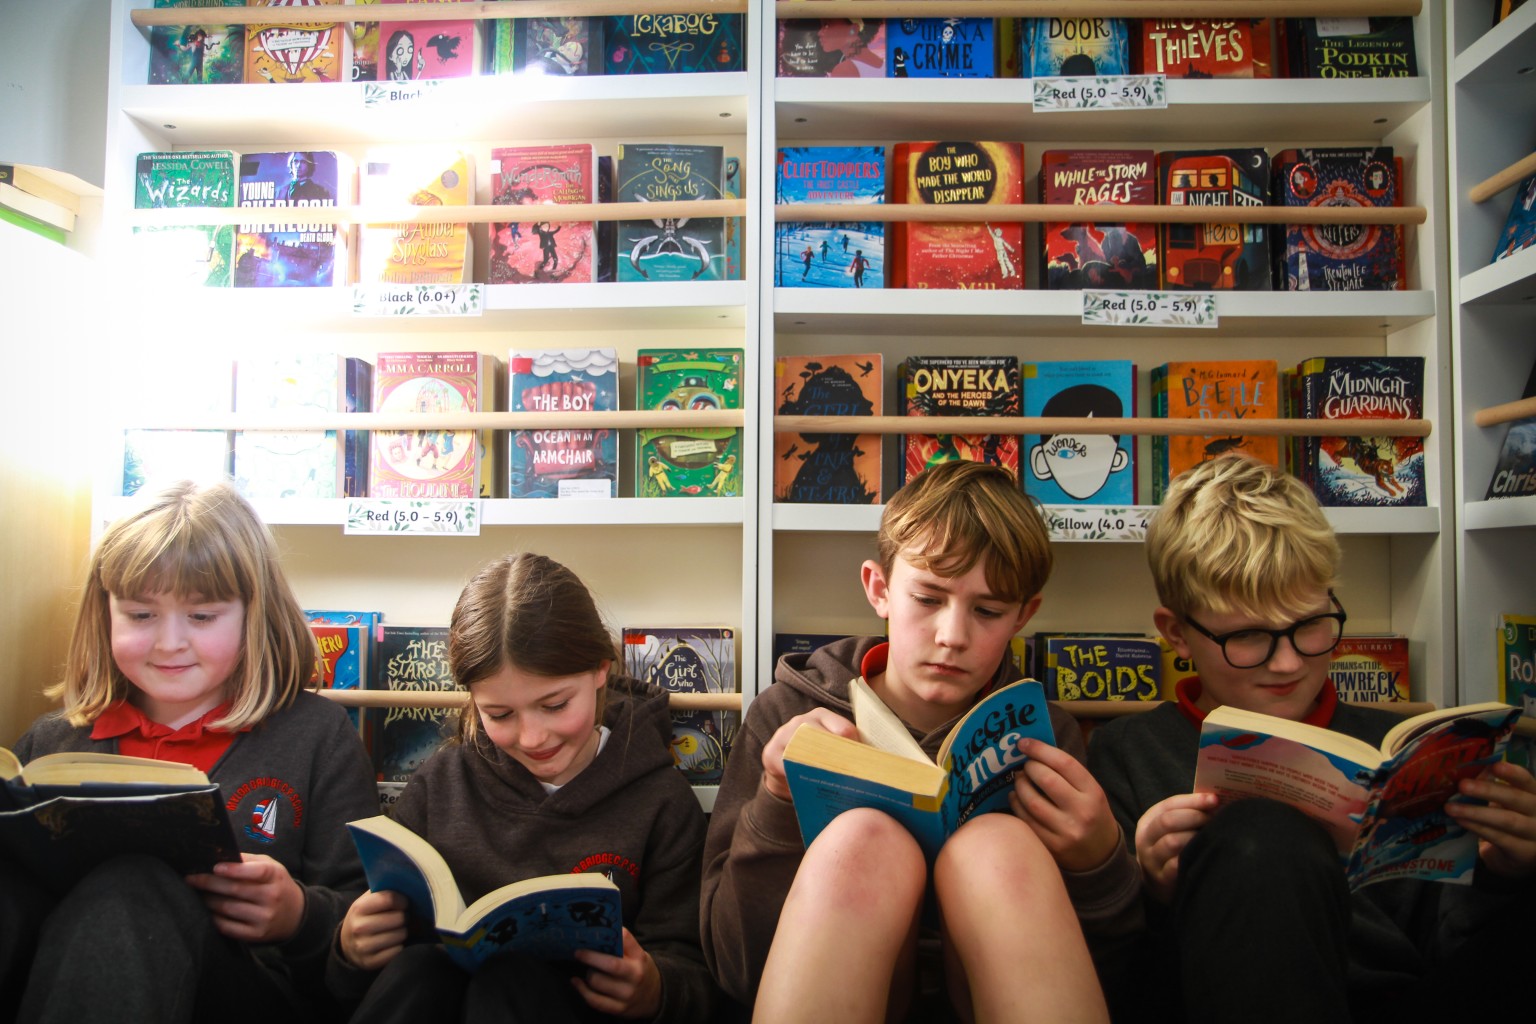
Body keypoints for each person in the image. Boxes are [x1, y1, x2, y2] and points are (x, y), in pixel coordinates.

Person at [1087, 454, 1536, 1024]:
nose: (1287, 662)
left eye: (1310, 625)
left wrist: (1506, 875)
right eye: (1248, 636)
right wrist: (1150, 887)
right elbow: (1124, 982)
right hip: (1227, 994)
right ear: (1177, 633)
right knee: (1259, 836)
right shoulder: (1127, 753)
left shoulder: (1391, 748)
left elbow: (1446, 948)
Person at [701, 460, 1139, 1023]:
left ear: (1023, 616)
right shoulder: (787, 714)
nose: (953, 636)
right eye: (928, 599)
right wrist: (778, 803)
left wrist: (1098, 861)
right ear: (879, 590)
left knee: (996, 848)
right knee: (863, 841)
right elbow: (733, 966)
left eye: (988, 610)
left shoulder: (1044, 735)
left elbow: (1121, 972)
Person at [0, 480, 377, 1024]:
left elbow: (366, 925)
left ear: (255, 615)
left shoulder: (317, 738)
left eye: (201, 617)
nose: (169, 642)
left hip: (246, 988)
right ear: (104, 613)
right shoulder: (53, 743)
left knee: (136, 886)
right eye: (139, 615)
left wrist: (300, 916)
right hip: (60, 980)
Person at [331, 553, 719, 1024]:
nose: (532, 738)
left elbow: (700, 980)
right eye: (499, 715)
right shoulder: (441, 782)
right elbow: (356, 981)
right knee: (420, 969)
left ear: (600, 670)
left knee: (512, 983)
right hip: (440, 996)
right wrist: (351, 948)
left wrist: (654, 988)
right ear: (473, 700)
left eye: (554, 705)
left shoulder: (660, 802)